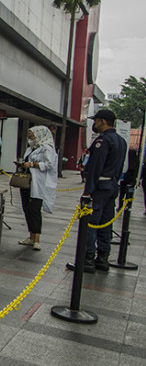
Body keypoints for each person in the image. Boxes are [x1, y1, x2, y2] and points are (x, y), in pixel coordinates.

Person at [66, 109, 127, 273]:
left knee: (90, 223)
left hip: (100, 187)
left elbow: (95, 167)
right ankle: (102, 258)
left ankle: (87, 259)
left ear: (102, 121)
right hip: (112, 185)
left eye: (96, 121)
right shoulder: (121, 141)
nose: (94, 124)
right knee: (105, 223)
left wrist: (88, 190)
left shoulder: (103, 141)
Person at [16, 126, 58, 251]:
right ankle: (31, 236)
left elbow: (50, 164)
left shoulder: (47, 149)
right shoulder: (30, 149)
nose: (30, 139)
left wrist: (33, 164)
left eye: (32, 136)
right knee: (27, 209)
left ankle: (37, 239)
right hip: (27, 181)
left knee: (35, 209)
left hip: (38, 183)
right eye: (29, 137)